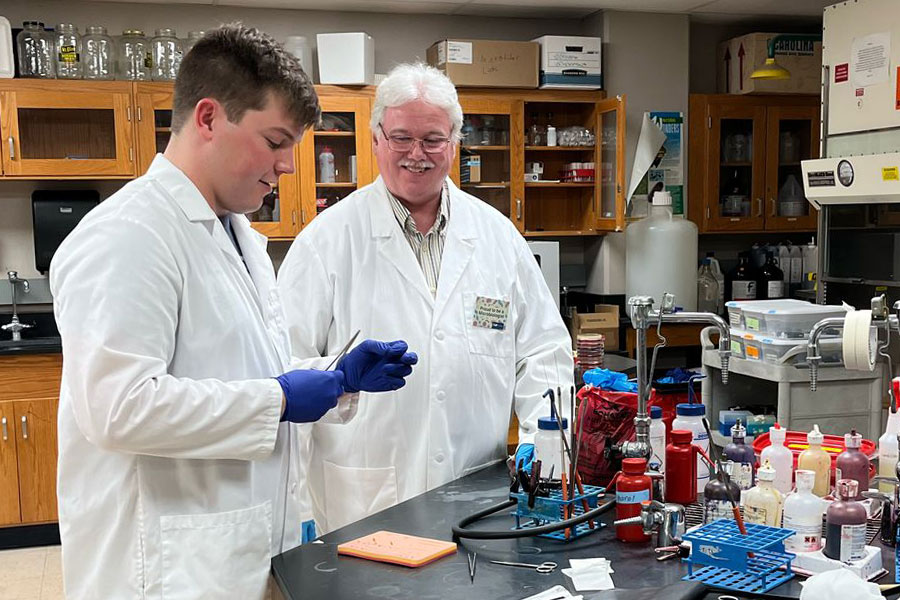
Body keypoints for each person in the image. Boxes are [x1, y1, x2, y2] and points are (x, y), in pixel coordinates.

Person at [50, 25, 416, 600]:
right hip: (165, 569)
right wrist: (279, 399)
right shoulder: (128, 236)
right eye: (275, 141)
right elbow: (118, 408)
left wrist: (334, 375)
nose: (289, 166)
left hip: (239, 556)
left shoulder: (241, 237)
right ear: (208, 118)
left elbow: (238, 370)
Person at [277, 63, 574, 533]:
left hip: (479, 493)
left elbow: (544, 351)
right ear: (376, 140)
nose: (417, 154)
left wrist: (547, 439)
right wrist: (338, 379)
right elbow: (282, 369)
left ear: (454, 144)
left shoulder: (498, 237)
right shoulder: (326, 242)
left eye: (433, 139)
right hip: (364, 504)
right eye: (401, 137)